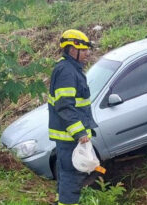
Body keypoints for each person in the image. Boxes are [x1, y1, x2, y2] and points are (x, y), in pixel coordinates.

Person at [48, 29, 97, 205]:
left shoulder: (70, 69)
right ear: (71, 49)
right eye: (83, 50)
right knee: (71, 177)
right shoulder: (67, 71)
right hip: (70, 137)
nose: (87, 53)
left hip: (68, 136)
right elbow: (65, 106)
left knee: (65, 174)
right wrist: (80, 133)